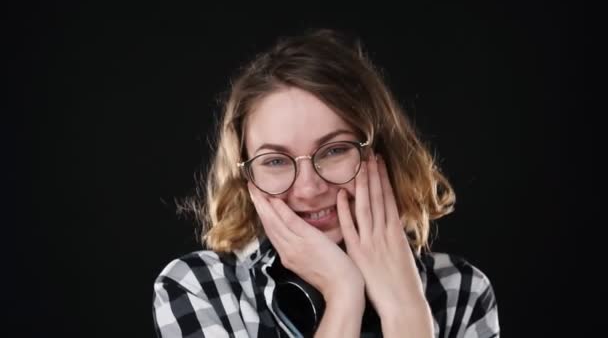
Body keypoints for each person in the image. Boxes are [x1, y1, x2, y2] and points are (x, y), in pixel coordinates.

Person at [152, 28, 500, 338]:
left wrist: (405, 313)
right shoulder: (199, 287)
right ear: (247, 177)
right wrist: (344, 294)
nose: (308, 188)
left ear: (380, 152)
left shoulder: (462, 291)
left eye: (334, 151)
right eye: (275, 161)